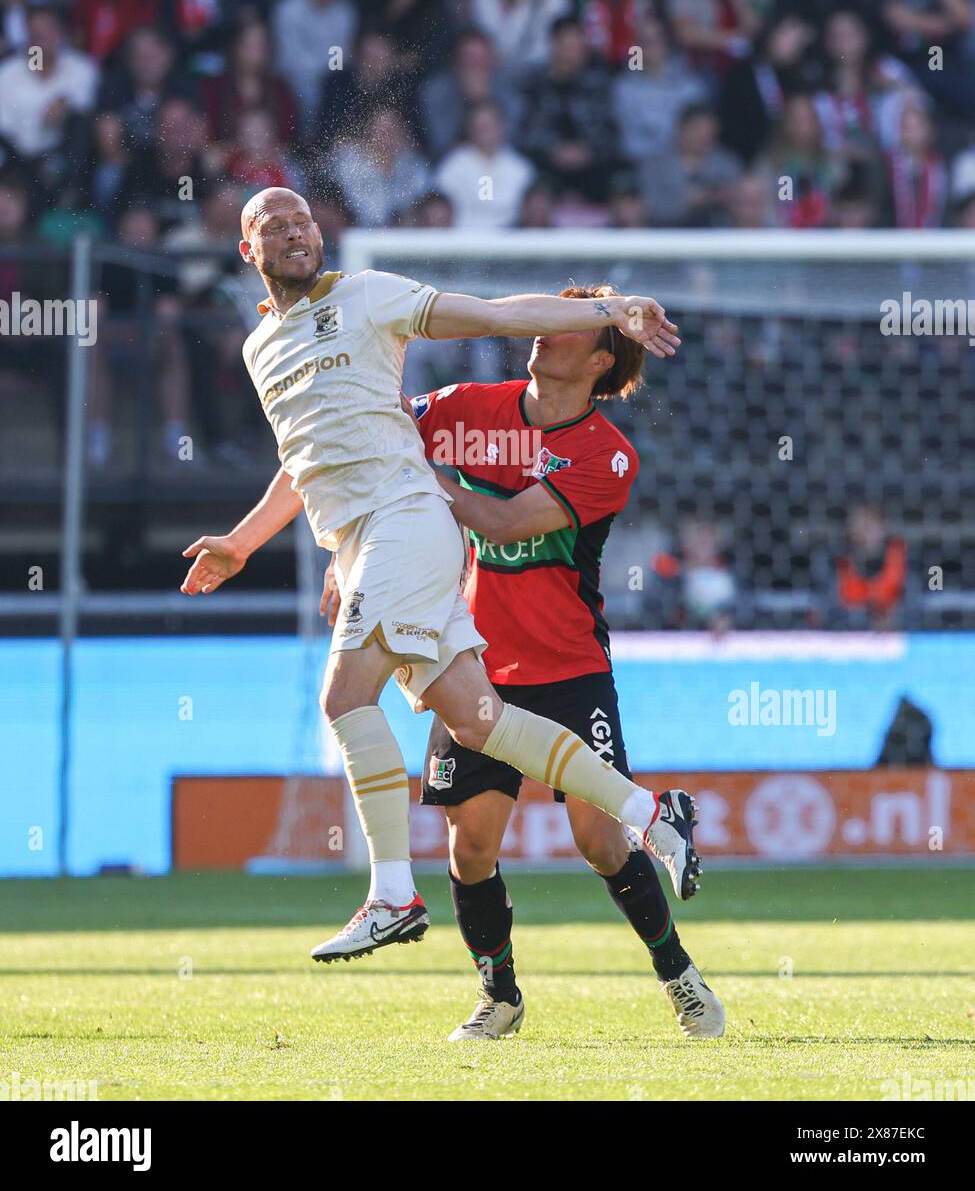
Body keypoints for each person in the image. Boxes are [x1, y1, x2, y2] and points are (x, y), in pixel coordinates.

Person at [180, 186, 701, 965]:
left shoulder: (367, 296)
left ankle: (392, 892)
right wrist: (246, 543)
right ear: (246, 250)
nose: (294, 232)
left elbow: (494, 314)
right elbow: (310, 463)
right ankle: (651, 811)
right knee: (477, 722)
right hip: (368, 538)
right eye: (272, 225)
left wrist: (611, 309)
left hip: (412, 526)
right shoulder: (261, 349)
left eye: (303, 220)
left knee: (342, 696)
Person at [318, 286, 725, 1041]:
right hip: (468, 656)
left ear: (601, 358)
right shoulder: (465, 404)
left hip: (568, 665)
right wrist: (355, 548)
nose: (544, 334)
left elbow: (502, 524)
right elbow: (376, 439)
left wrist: (421, 489)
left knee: (600, 842)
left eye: (570, 327)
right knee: (469, 845)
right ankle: (499, 997)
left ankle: (679, 975)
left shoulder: (606, 453)